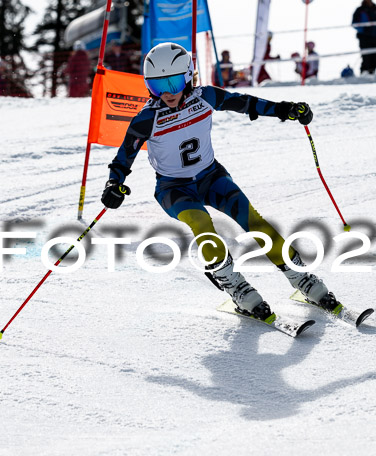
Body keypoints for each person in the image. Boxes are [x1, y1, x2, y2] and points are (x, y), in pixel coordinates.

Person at [100, 42, 338, 322]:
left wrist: (285, 109)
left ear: (188, 76)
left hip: (212, 177)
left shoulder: (205, 97)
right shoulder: (146, 119)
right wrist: (113, 184)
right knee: (202, 223)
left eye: (174, 82)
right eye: (156, 85)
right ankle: (235, 286)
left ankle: (301, 278)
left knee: (254, 221)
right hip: (173, 189)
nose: (166, 93)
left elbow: (246, 103)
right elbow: (122, 158)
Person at [352, 0, 376, 74]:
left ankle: (372, 72)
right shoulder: (360, 10)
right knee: (366, 57)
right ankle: (364, 73)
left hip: (375, 36)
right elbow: (354, 23)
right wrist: (364, 30)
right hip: (364, 37)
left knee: (375, 56)